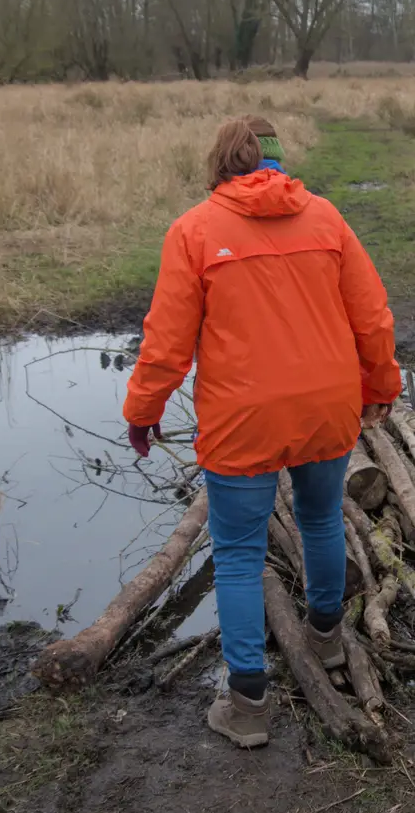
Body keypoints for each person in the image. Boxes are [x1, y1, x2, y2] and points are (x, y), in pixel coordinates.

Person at [122, 114, 400, 750]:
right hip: (327, 407)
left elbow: (165, 345)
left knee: (241, 554)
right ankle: (327, 642)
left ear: (220, 165)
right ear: (278, 163)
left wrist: (142, 412)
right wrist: (381, 387)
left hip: (242, 418)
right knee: (323, 519)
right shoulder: (328, 220)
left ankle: (249, 706)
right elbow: (373, 318)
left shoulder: (193, 231)